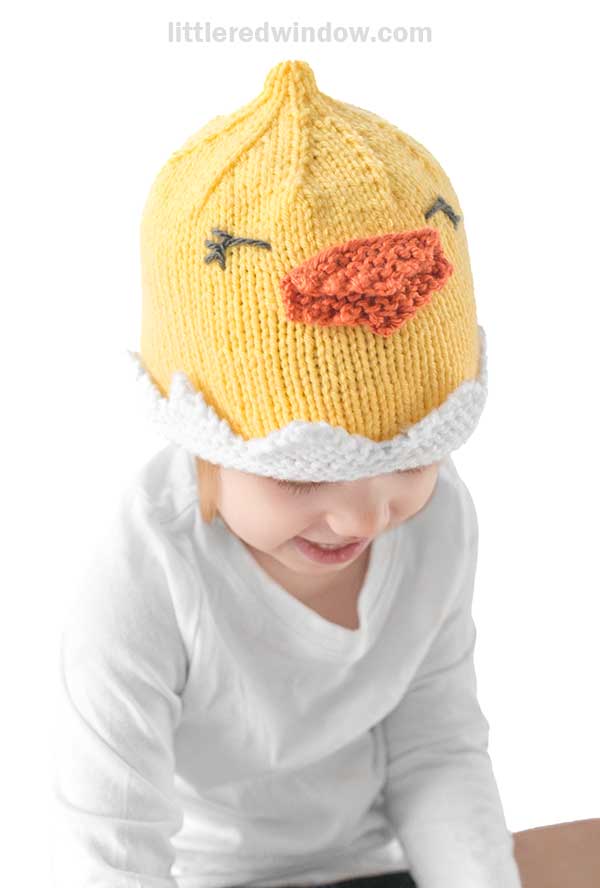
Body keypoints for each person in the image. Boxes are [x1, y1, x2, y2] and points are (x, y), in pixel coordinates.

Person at [51, 59, 523, 888]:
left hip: (375, 862)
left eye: (410, 458)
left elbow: (437, 746)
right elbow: (113, 836)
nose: (362, 518)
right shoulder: (144, 568)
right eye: (303, 476)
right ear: (206, 443)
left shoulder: (438, 519)